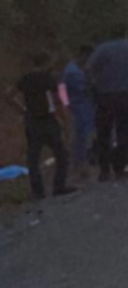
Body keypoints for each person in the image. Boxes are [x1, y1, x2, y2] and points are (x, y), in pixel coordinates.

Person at [7, 52, 77, 199]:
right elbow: (58, 101)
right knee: (61, 154)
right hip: (47, 119)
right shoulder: (48, 78)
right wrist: (66, 121)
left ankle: (38, 191)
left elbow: (9, 96)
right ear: (46, 63)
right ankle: (59, 186)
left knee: (33, 157)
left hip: (32, 120)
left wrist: (22, 109)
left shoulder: (25, 79)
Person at [86, 24, 128, 181]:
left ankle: (104, 169)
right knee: (123, 132)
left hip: (105, 95)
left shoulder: (102, 49)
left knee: (104, 133)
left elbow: (89, 68)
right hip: (126, 95)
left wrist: (95, 84)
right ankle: (120, 167)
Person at [61, 45, 95, 180]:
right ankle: (79, 166)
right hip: (78, 106)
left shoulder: (78, 70)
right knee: (80, 138)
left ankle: (81, 165)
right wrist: (66, 105)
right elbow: (62, 89)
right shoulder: (72, 72)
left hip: (84, 106)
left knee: (84, 137)